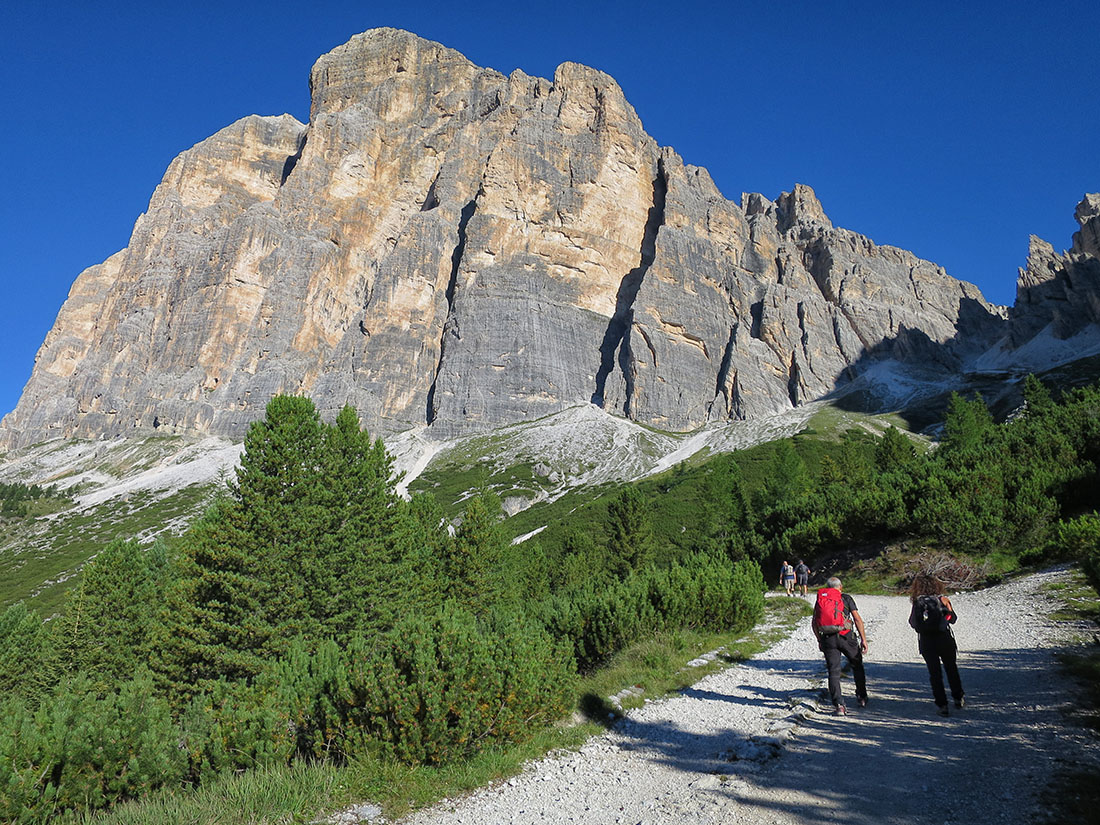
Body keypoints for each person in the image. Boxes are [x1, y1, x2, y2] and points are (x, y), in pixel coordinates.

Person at [908, 573, 964, 716]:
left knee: (935, 674)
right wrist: (946, 611)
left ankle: (942, 705)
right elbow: (953, 619)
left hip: (927, 641)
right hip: (944, 639)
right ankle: (958, 698)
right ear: (936, 585)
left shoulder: (918, 602)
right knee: (951, 668)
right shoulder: (943, 599)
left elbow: (912, 623)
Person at [812, 576, 869, 714]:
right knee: (857, 665)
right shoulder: (846, 598)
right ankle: (861, 697)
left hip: (828, 639)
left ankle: (839, 705)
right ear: (840, 587)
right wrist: (863, 639)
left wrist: (819, 640)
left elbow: (814, 622)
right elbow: (857, 619)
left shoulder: (822, 599)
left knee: (833, 671)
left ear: (827, 587)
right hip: (846, 637)